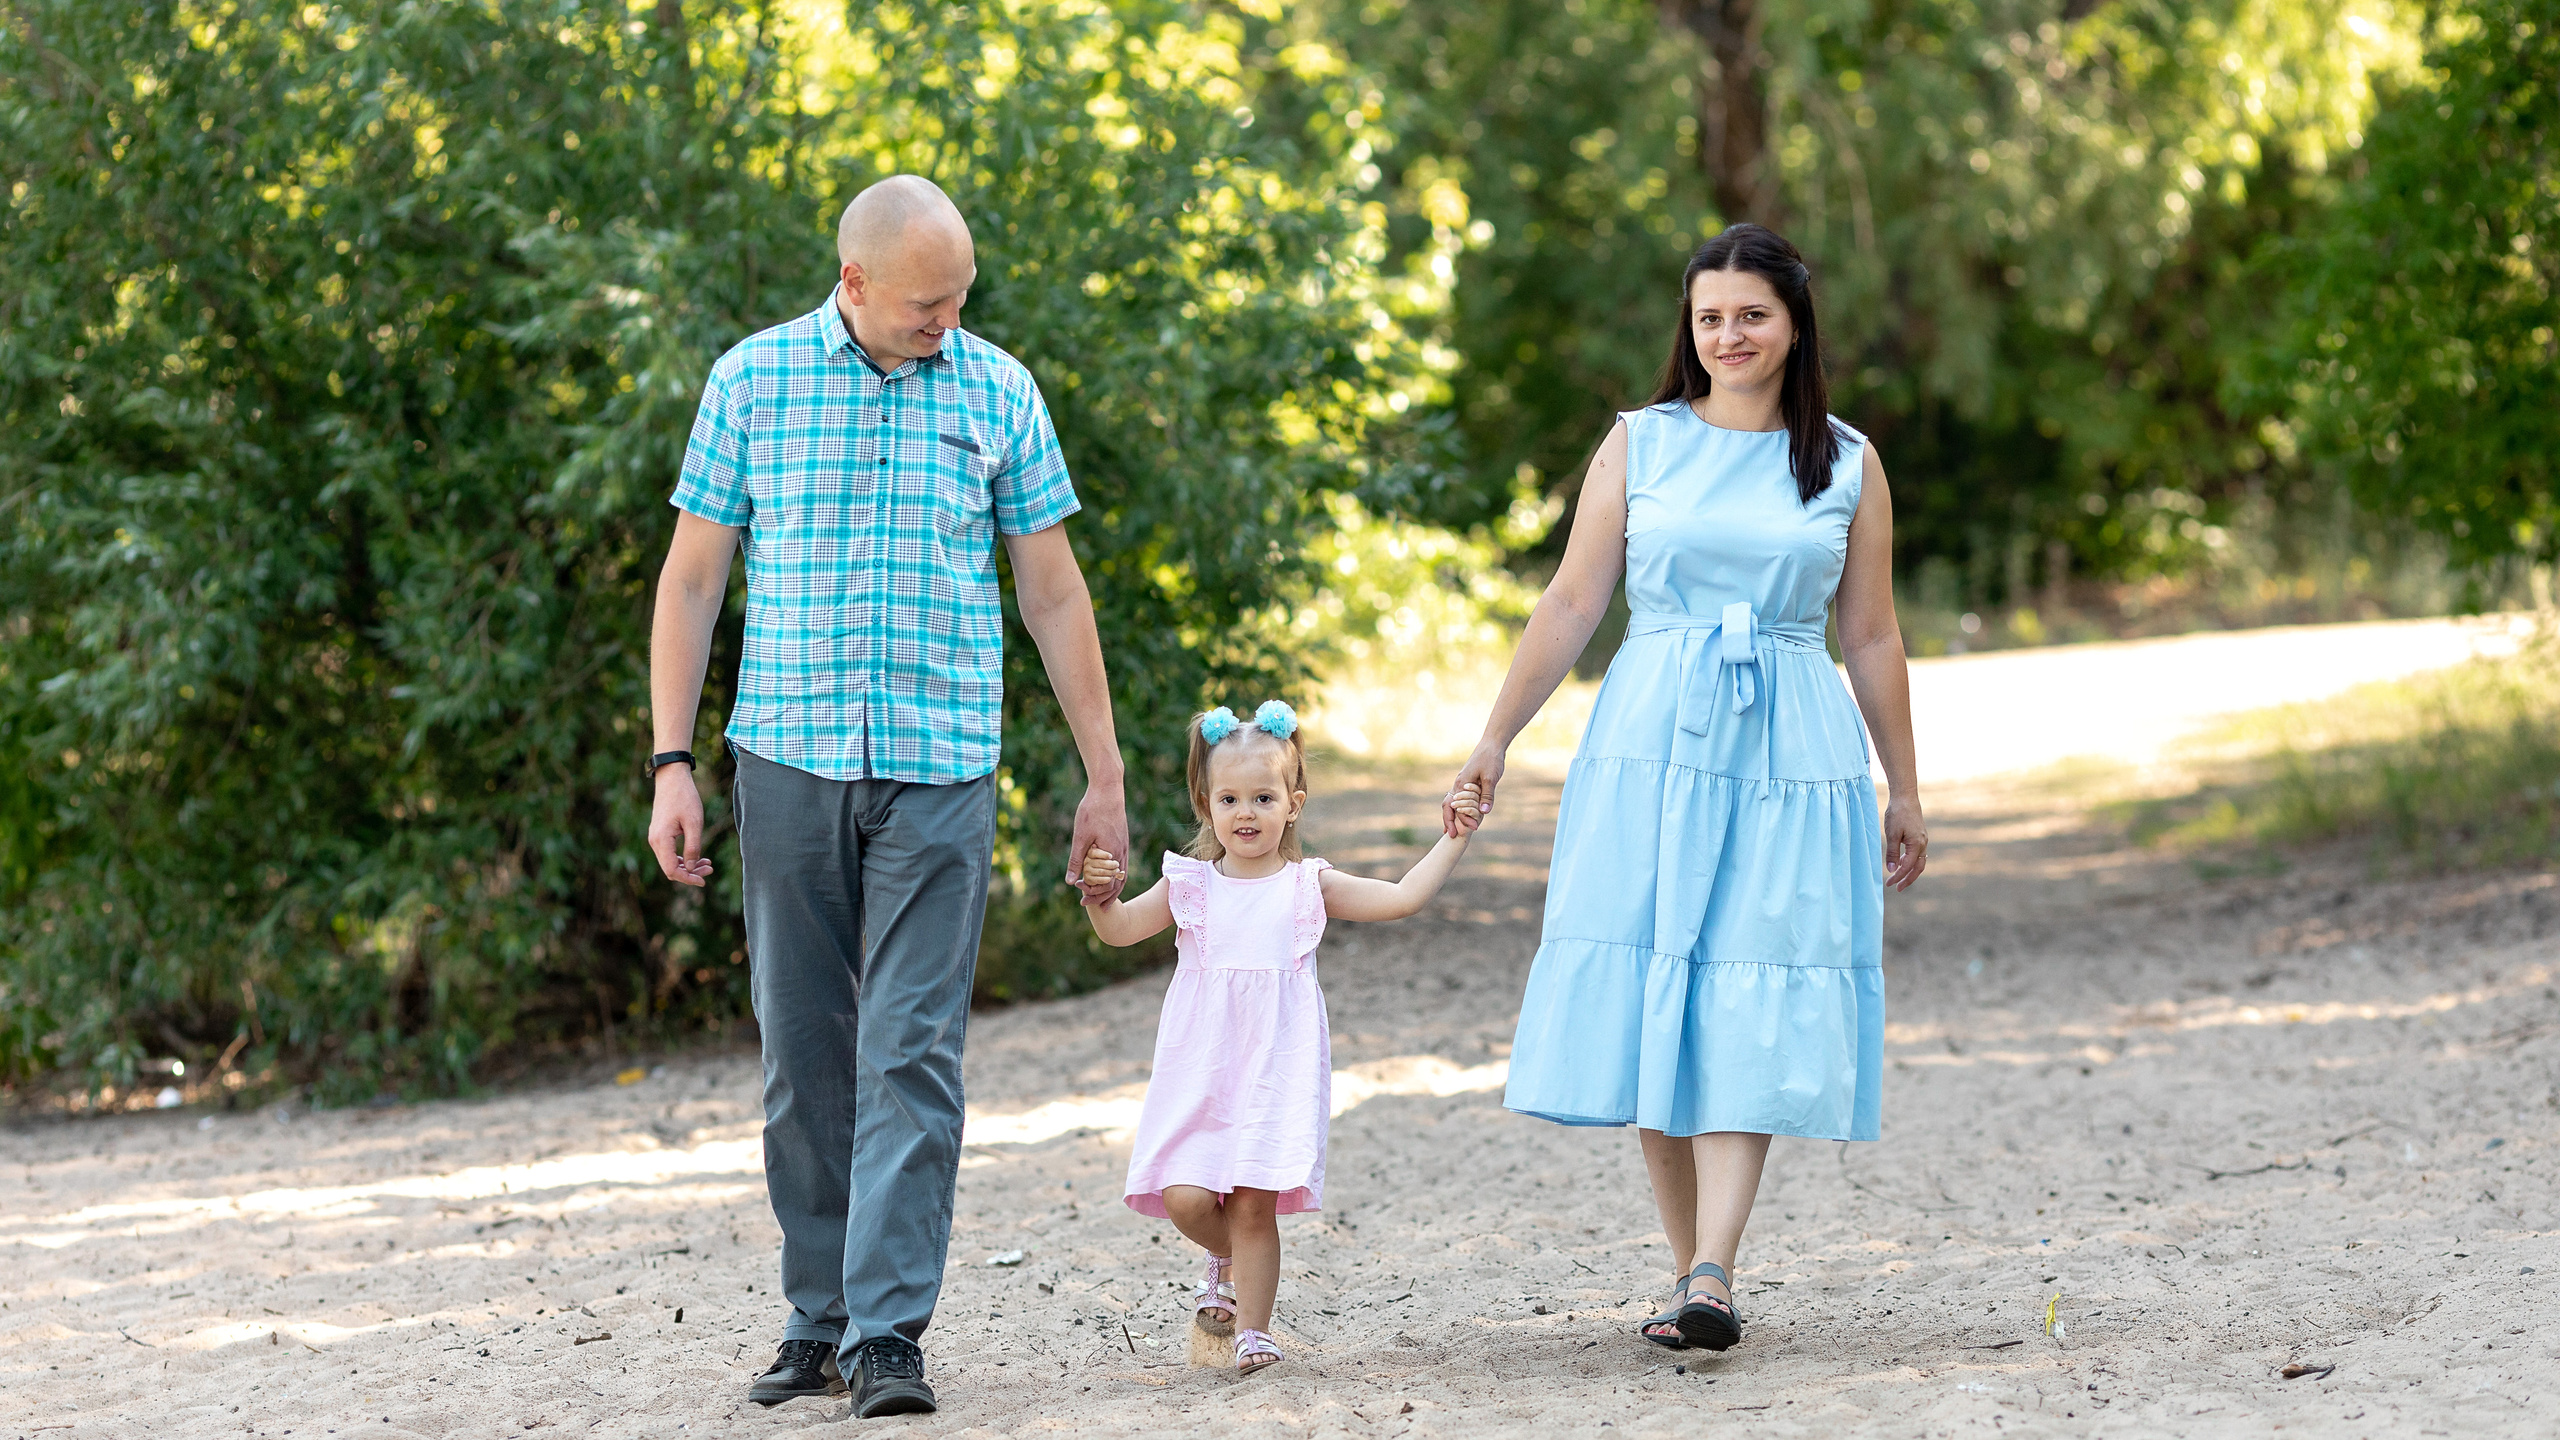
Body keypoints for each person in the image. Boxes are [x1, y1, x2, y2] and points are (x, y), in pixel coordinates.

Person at [645, 174, 1128, 1417]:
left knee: (910, 1048)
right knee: (805, 1054)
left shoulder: (998, 389)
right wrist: (670, 762)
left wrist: (1104, 776)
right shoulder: (750, 382)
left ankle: (888, 1333)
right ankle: (819, 1315)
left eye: (962, 298)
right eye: (926, 302)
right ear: (853, 282)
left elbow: (1054, 592)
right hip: (788, 760)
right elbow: (693, 582)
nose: (948, 322)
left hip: (941, 767)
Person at [1443, 223, 1926, 1353]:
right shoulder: (1639, 445)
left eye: (1750, 314)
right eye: (1709, 317)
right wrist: (1495, 736)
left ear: (1794, 323)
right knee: (1660, 981)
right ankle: (1692, 1281)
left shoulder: (1847, 462)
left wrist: (1903, 784)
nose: (1728, 336)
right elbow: (1570, 603)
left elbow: (1870, 636)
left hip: (1790, 750)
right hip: (1652, 732)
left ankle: (1713, 1265)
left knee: (1748, 985)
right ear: (1688, 327)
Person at [1074, 701, 1481, 1373]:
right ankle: (1224, 1258)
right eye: (1230, 798)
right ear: (1205, 805)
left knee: (1256, 1204)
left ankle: (1254, 1331)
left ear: (1292, 803)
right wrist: (1099, 896)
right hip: (1200, 1070)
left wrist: (1455, 836)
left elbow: (1403, 897)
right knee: (1186, 1197)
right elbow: (1118, 930)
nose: (1246, 812)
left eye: (1263, 797)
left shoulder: (1306, 887)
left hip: (1275, 1071)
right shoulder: (1189, 884)